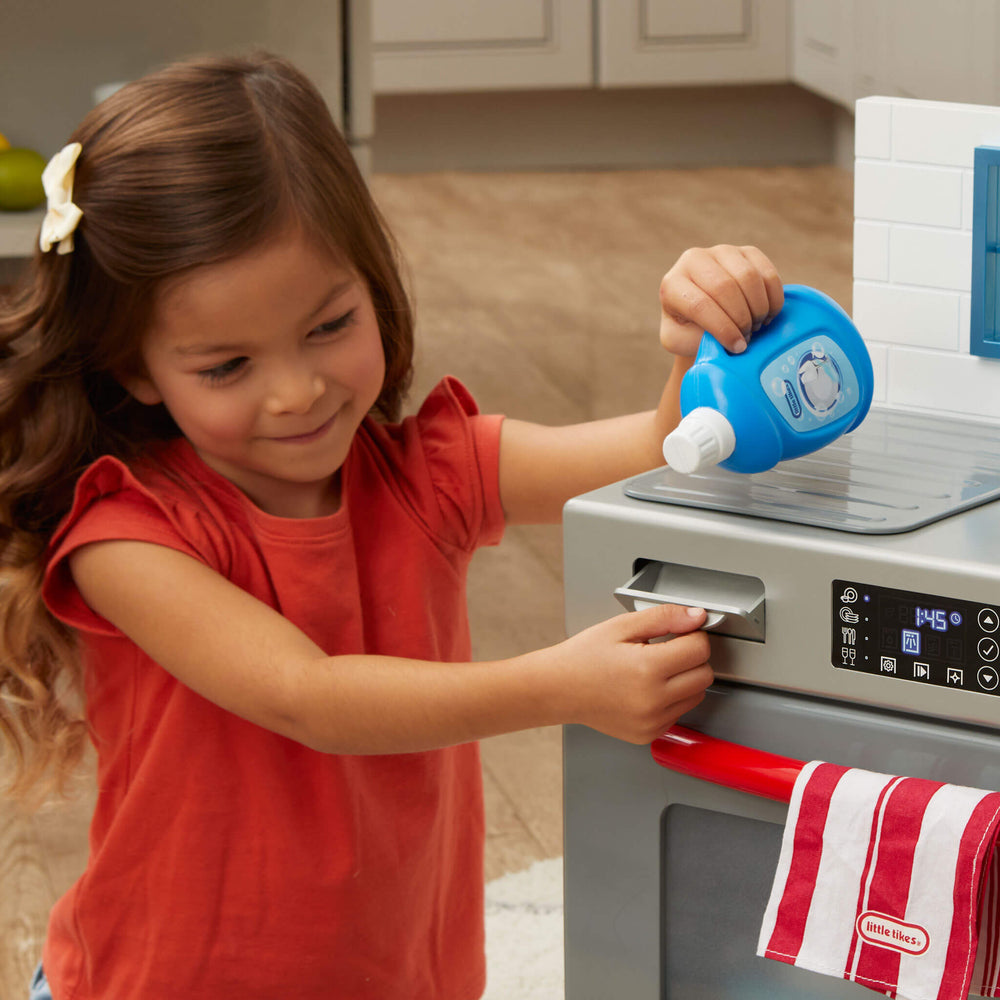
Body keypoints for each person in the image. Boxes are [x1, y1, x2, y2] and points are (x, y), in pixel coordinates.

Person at [0, 51, 784, 1000]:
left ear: (373, 286)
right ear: (133, 368)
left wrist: (698, 332)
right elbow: (308, 697)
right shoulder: (128, 536)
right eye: (225, 367)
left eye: (330, 326)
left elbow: (665, 445)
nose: (297, 392)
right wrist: (557, 686)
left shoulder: (430, 472)